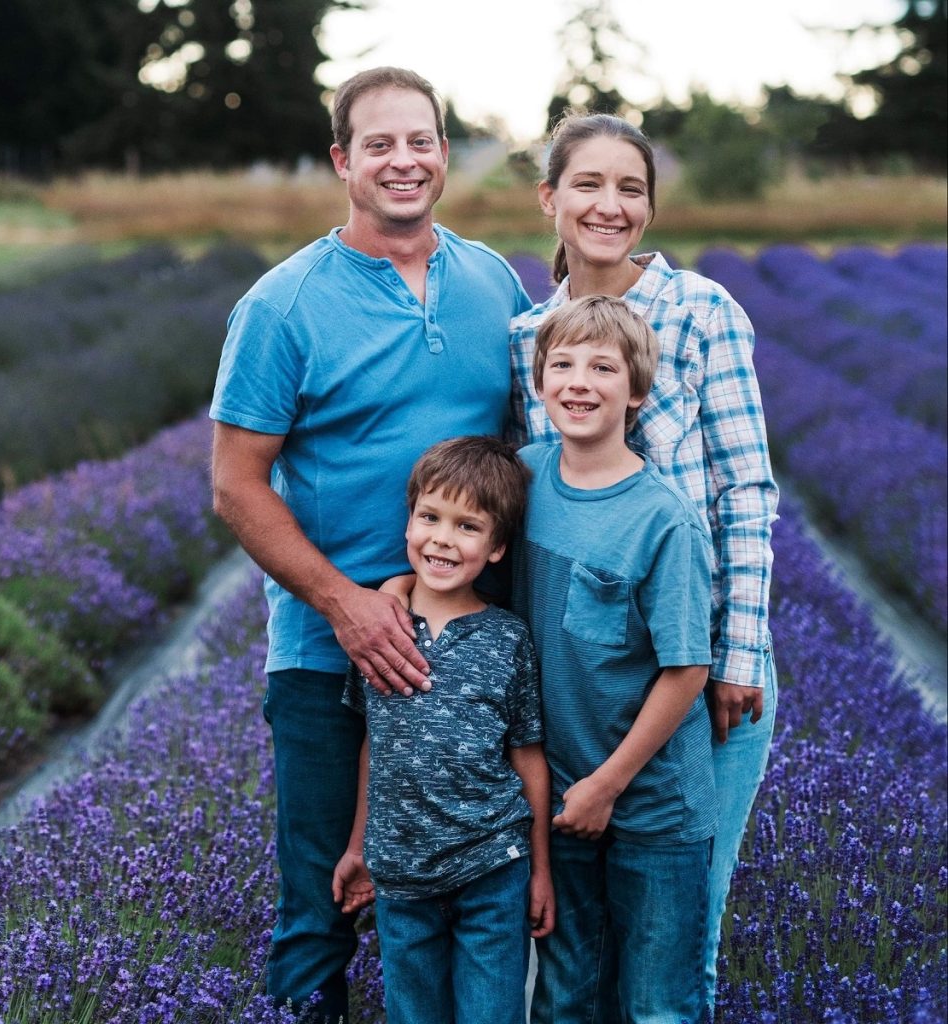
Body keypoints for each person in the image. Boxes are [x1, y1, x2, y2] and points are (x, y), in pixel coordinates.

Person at [209, 67, 533, 1018]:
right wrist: (345, 605)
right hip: (327, 657)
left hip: (470, 655)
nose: (405, 161)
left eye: (422, 140)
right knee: (323, 909)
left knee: (485, 900)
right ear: (343, 162)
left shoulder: (491, 280)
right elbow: (235, 485)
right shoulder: (283, 304)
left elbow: (526, 453)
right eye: (380, 144)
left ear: (443, 151)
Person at [509, 111, 779, 1014]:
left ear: (651, 208)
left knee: (680, 932)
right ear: (549, 198)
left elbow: (745, 489)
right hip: (582, 674)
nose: (609, 205)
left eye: (631, 188)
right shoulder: (528, 337)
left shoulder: (703, 309)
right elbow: (532, 499)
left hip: (696, 666)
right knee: (572, 951)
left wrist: (738, 656)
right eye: (587, 184)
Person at [515, 294, 715, 1022]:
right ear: (538, 383)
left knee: (659, 1002)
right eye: (561, 364)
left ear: (636, 392)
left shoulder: (663, 518)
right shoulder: (525, 478)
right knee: (566, 994)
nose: (578, 381)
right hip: (563, 797)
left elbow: (687, 668)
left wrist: (608, 784)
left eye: (603, 367)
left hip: (652, 805)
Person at [332, 435, 554, 1024]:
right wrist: (359, 848)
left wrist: (540, 870)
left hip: (492, 865)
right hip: (401, 874)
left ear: (498, 546)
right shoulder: (383, 632)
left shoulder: (508, 638)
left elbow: (528, 757)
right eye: (430, 517)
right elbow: (373, 748)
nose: (442, 539)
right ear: (408, 523)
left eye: (467, 527)